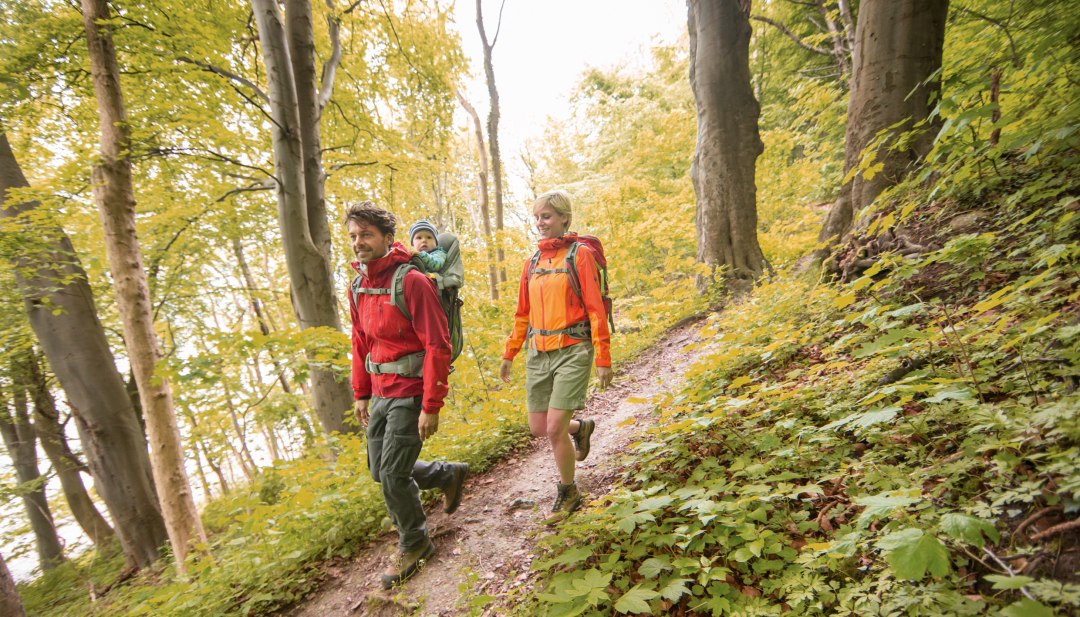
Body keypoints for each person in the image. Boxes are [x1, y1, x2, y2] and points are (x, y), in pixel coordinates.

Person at [345, 201, 469, 589]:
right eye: (353, 236)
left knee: (393, 475)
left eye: (366, 234)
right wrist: (361, 392)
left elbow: (437, 344)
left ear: (387, 238)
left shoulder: (411, 281)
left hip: (411, 390)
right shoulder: (359, 285)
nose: (358, 242)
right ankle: (447, 474)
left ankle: (415, 543)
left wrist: (431, 405)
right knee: (378, 471)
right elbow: (360, 340)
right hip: (380, 391)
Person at [499, 189, 613, 523]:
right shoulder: (531, 262)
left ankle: (568, 492)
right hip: (538, 353)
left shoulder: (579, 256)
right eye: (537, 217)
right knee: (539, 427)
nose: (540, 223)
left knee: (552, 429)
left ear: (564, 218)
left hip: (574, 350)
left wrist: (603, 357)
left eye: (546, 216)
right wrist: (510, 352)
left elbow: (595, 309)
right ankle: (580, 429)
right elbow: (523, 314)